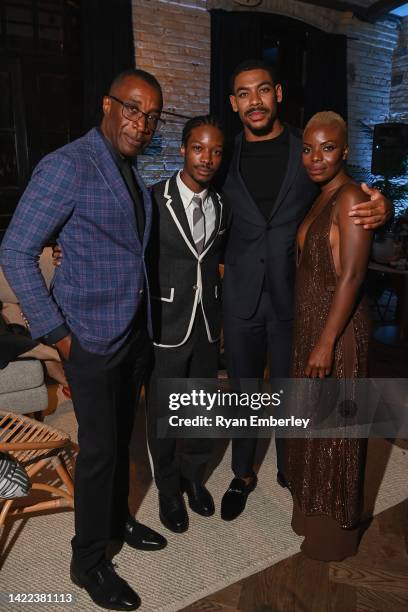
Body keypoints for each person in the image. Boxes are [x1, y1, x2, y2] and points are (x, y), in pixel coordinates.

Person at [0, 69, 168, 612]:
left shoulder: (128, 169)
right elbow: (16, 252)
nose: (140, 123)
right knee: (98, 452)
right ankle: (88, 560)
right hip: (90, 340)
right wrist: (58, 336)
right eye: (132, 109)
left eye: (151, 116)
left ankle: (116, 519)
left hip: (133, 334)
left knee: (121, 440)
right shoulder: (67, 165)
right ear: (107, 104)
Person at [220, 59, 392, 522]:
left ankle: (289, 466)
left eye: (261, 91)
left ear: (277, 94)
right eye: (242, 93)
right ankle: (242, 473)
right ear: (234, 103)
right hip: (239, 298)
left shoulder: (307, 150)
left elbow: (351, 195)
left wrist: (386, 209)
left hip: (291, 299)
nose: (253, 101)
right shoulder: (225, 155)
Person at [284, 111, 372, 561]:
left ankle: (334, 534)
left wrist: (325, 342)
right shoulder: (323, 196)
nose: (316, 157)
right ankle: (310, 512)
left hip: (336, 334)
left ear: (346, 150)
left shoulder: (350, 196)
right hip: (313, 328)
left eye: (328, 148)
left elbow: (353, 276)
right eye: (308, 148)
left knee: (336, 432)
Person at [146, 116, 227, 533]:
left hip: (208, 325)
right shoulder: (153, 199)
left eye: (215, 151)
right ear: (183, 149)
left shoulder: (221, 205)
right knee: (164, 412)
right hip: (166, 324)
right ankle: (166, 490)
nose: (207, 158)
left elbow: (216, 263)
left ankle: (193, 478)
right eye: (199, 148)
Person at [0, 300, 68, 390]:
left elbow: (5, 305)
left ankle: (67, 381)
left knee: (28, 334)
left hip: (8, 333)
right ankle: (69, 359)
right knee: (9, 341)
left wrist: (20, 310)